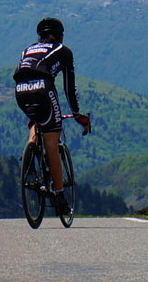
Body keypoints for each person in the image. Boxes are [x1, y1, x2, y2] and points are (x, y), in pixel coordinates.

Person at [14, 17, 90, 209]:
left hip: (20, 90)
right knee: (51, 142)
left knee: (36, 120)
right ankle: (59, 195)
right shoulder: (63, 51)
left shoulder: (27, 50)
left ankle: (30, 150)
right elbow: (69, 87)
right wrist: (77, 113)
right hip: (43, 89)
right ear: (59, 36)